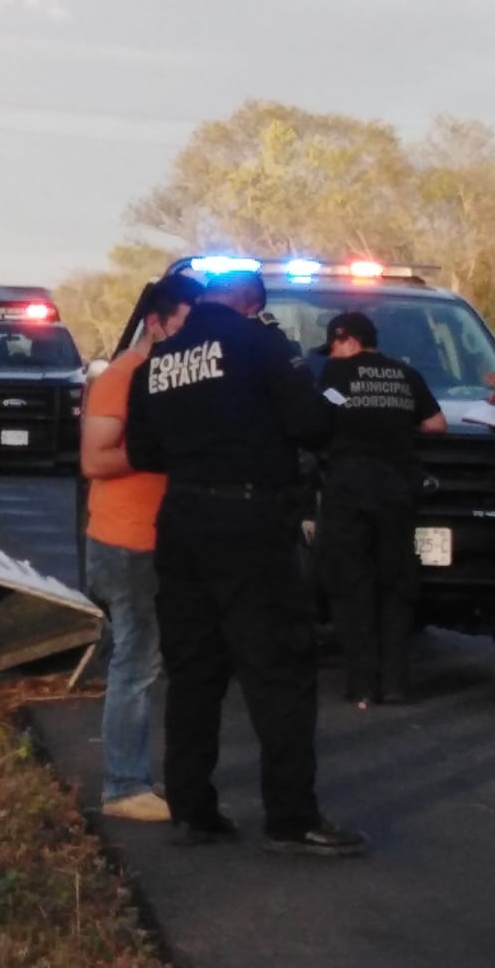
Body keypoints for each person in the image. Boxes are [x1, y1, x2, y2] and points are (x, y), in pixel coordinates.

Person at [125, 270, 367, 857]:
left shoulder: (158, 361)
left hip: (182, 521)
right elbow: (312, 424)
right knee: (278, 671)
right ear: (253, 305)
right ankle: (290, 816)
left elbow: (142, 451)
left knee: (194, 671)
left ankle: (193, 808)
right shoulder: (258, 342)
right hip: (250, 522)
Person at [80, 273, 199, 822]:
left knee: (147, 660)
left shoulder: (179, 379)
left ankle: (142, 777)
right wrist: (162, 450)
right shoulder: (123, 377)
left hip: (166, 539)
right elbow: (95, 461)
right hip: (128, 543)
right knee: (136, 664)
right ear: (156, 323)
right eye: (186, 322)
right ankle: (124, 786)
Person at [313, 311, 447, 708]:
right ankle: (395, 684)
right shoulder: (405, 374)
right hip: (397, 490)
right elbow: (436, 424)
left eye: (334, 346)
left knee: (352, 585)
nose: (332, 354)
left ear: (347, 339)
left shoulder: (336, 376)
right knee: (395, 583)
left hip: (349, 490)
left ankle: (362, 685)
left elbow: (320, 420)